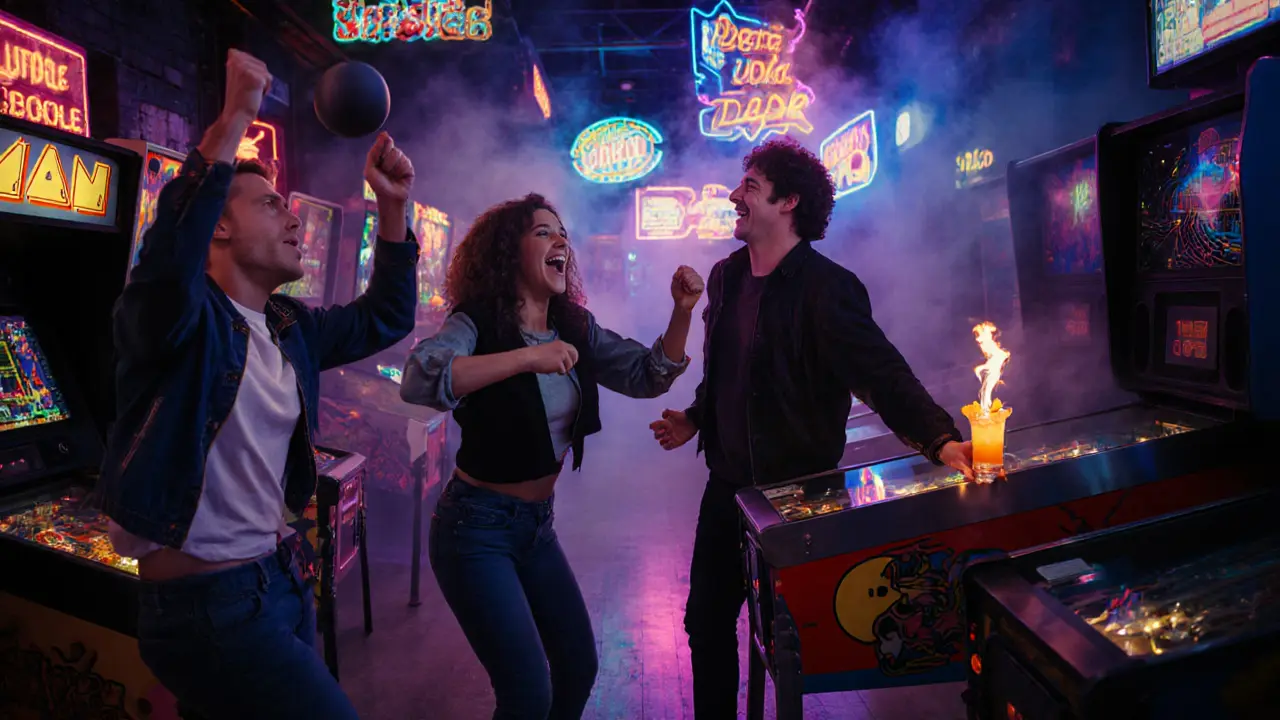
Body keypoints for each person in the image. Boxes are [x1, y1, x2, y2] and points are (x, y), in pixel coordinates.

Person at [97, 49, 419, 720]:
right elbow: (165, 264)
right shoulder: (177, 320)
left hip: (280, 579)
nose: (295, 218)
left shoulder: (287, 323)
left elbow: (386, 316)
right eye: (271, 205)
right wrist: (236, 116)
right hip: (207, 609)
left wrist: (394, 208)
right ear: (217, 223)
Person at [649, 138, 975, 719]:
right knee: (705, 624)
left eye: (749, 186)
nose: (733, 195)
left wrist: (940, 438)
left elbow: (881, 373)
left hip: (800, 498)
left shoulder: (828, 287)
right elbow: (727, 371)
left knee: (793, 648)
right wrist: (695, 418)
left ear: (788, 201)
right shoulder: (724, 277)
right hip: (726, 489)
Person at [399, 193, 703, 719]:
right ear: (507, 251)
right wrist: (525, 358)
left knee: (578, 667)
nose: (560, 240)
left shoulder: (574, 326)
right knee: (526, 693)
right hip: (474, 528)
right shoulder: (475, 323)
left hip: (536, 526)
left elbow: (648, 374)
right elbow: (421, 377)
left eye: (561, 233)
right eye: (542, 232)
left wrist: (682, 312)